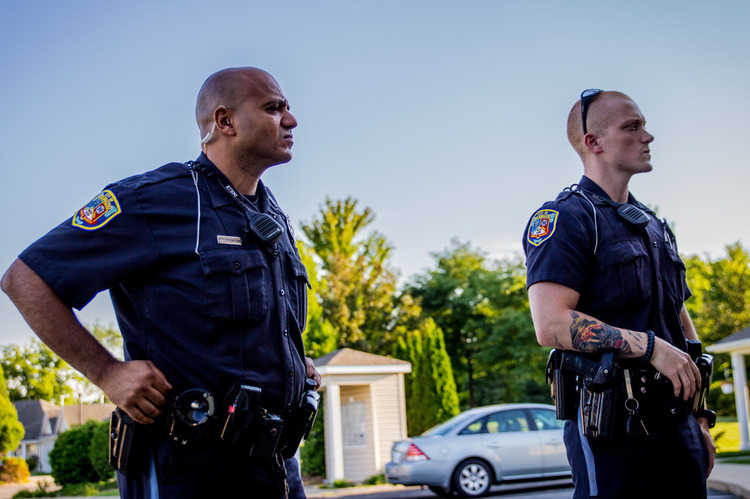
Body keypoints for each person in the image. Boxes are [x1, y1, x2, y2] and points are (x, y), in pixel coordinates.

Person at [1, 67, 320, 498]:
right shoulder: (155, 200)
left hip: (277, 467)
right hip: (188, 472)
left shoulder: (272, 215)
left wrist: (293, 363)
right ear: (225, 121)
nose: (291, 120)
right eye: (274, 108)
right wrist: (107, 373)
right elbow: (24, 278)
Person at [522, 89, 716, 498]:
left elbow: (681, 323)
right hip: (612, 434)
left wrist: (699, 417)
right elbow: (551, 323)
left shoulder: (654, 225)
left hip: (679, 428)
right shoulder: (566, 218)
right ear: (593, 142)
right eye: (632, 127)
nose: (648, 136)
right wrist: (650, 348)